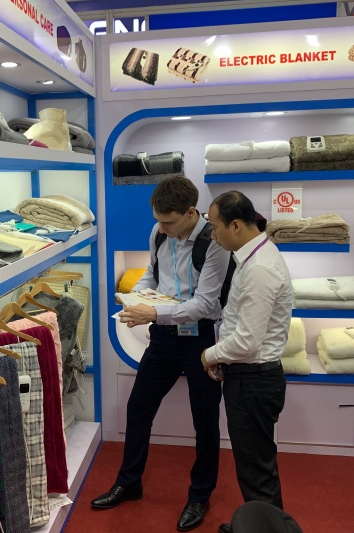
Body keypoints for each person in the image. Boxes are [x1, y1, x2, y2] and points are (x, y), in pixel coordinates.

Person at [91, 176, 230, 532]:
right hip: (164, 338)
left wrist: (153, 312)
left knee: (205, 421)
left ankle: (200, 495)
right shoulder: (158, 232)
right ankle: (129, 482)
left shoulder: (214, 243)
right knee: (138, 408)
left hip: (200, 339)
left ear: (190, 212)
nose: (162, 228)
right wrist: (134, 298)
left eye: (168, 222)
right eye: (158, 221)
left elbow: (205, 303)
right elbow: (151, 277)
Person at [200, 191, 293, 533]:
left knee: (256, 470)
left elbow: (247, 341)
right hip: (250, 377)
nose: (213, 235)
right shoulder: (253, 257)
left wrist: (209, 355)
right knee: (255, 465)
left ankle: (265, 526)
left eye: (215, 227)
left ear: (236, 225)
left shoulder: (259, 269)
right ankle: (258, 524)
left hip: (253, 380)